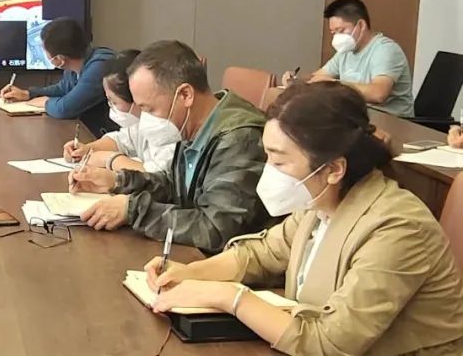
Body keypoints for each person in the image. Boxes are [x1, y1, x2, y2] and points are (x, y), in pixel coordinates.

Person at [144, 82, 463, 355]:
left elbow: (330, 343)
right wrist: (189, 272)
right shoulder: (320, 202)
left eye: (280, 162)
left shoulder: (398, 227)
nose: (268, 172)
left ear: (334, 169)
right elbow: (261, 253)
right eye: (268, 157)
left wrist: (228, 297)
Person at [70, 40, 271, 253]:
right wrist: (117, 181)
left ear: (185, 95)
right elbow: (175, 188)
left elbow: (216, 229)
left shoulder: (239, 140)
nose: (146, 119)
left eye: (150, 109)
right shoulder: (196, 124)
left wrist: (133, 211)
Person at [283, 0, 414, 117]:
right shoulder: (345, 52)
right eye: (333, 33)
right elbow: (317, 77)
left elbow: (378, 94)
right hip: (358, 117)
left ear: (361, 25)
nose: (337, 37)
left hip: (392, 121)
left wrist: (335, 85)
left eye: (341, 31)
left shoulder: (386, 50)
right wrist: (296, 80)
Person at [61, 49, 176, 179]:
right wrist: (86, 149)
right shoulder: (140, 125)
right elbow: (121, 140)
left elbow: (158, 177)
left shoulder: (169, 131)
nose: (111, 107)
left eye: (114, 101)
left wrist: (112, 160)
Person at [0, 18, 116, 137]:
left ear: (59, 59)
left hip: (107, 137)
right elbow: (62, 89)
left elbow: (65, 109)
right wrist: (28, 94)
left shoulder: (100, 66)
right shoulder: (75, 63)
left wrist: (46, 103)